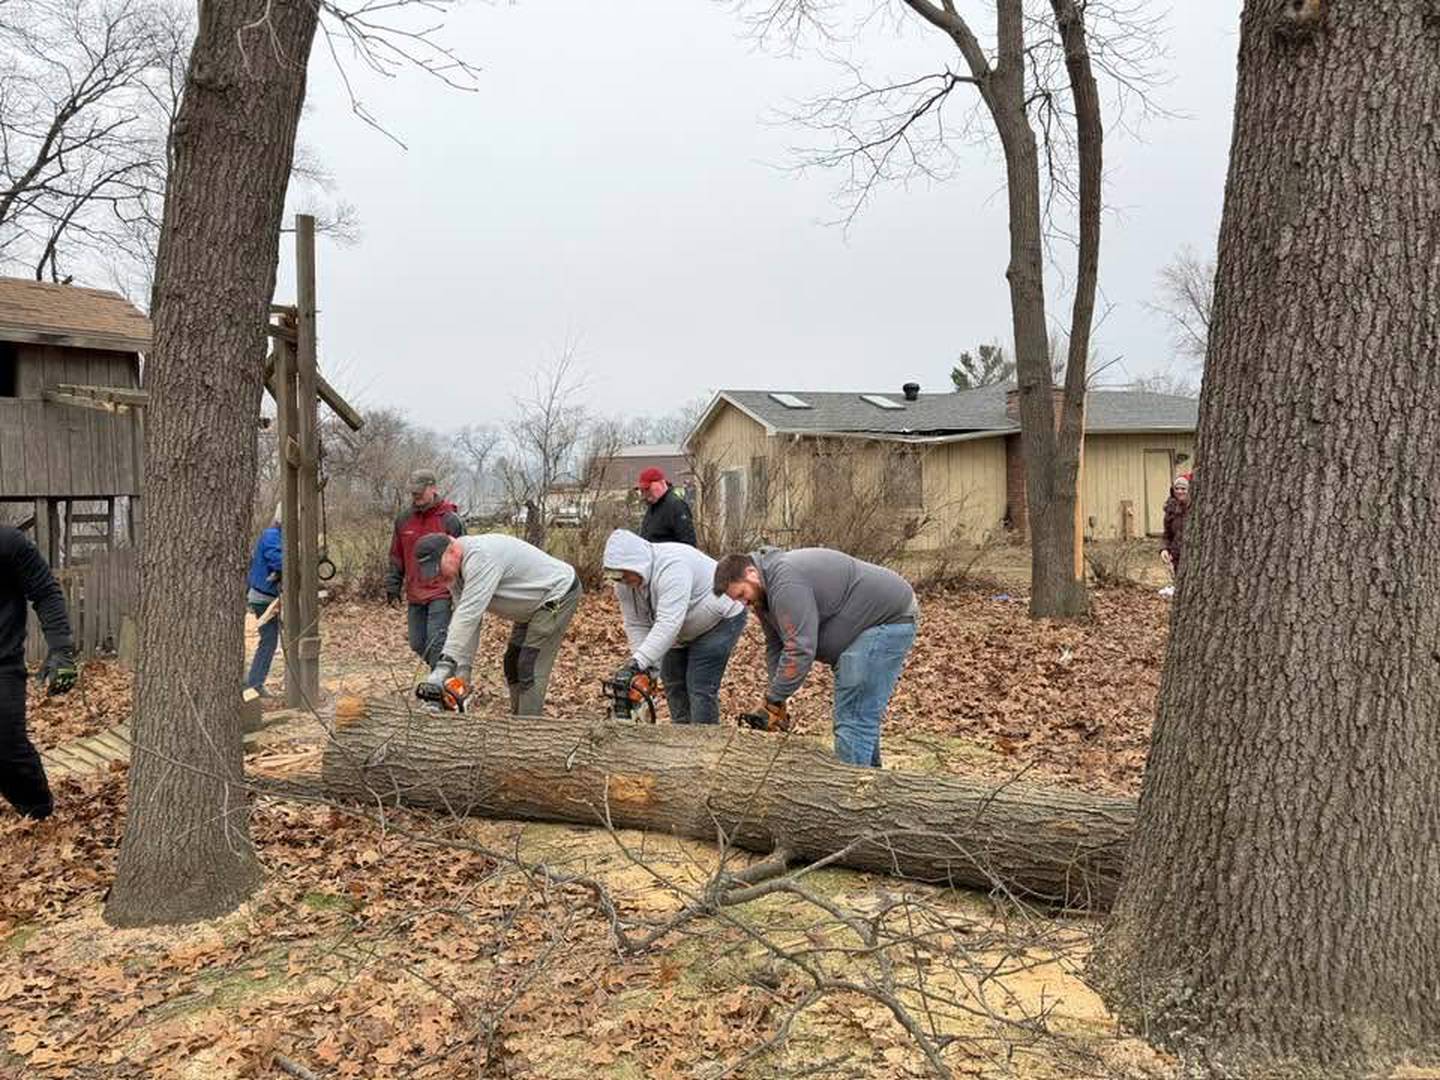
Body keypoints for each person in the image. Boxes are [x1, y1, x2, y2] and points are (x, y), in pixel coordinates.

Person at [713, 547, 918, 768]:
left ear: (751, 573)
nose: (743, 603)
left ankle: (851, 795)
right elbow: (776, 646)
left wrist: (775, 697)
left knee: (853, 719)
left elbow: (800, 648)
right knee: (859, 715)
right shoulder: (765, 596)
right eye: (737, 600)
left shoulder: (785, 583)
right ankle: (872, 788)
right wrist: (775, 697)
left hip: (884, 621)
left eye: (742, 595)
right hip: (867, 629)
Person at [415, 532, 581, 716]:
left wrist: (444, 667)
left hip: (557, 594)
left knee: (529, 663)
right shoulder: (455, 576)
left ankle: (529, 731)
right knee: (512, 662)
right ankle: (518, 720)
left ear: (452, 551)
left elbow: (468, 616)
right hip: (530, 606)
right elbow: (469, 623)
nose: (437, 578)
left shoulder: (480, 557)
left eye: (438, 570)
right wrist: (463, 673)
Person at [603, 529, 747, 725]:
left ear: (638, 562)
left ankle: (705, 747)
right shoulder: (624, 584)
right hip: (682, 629)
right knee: (673, 685)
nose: (624, 581)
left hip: (719, 619)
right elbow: (636, 623)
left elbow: (669, 623)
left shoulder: (673, 566)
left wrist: (638, 662)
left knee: (699, 686)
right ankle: (680, 742)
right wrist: (642, 667)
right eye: (618, 576)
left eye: (626, 574)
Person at [1, 527, 77, 819]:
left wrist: (61, 649)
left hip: (2, 663)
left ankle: (37, 810)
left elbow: (45, 592)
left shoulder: (9, 543)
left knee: (6, 744)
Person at [386, 469, 464, 667]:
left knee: (436, 643)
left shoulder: (449, 519)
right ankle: (444, 676)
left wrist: (461, 591)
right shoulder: (404, 519)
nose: (416, 496)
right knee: (417, 643)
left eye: (420, 491)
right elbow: (396, 554)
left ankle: (437, 691)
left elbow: (463, 553)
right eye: (413, 492)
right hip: (415, 592)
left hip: (442, 591)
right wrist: (393, 585)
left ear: (433, 488)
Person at [245, 505, 283, 695]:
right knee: (268, 641)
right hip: (263, 598)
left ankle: (254, 681)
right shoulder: (271, 536)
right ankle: (254, 684)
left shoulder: (278, 536)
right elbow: (279, 561)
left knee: (272, 639)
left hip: (272, 596)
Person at [637, 467, 697, 547]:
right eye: (642, 491)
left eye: (648, 489)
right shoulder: (653, 507)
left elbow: (688, 543)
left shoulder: (676, 506)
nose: (645, 494)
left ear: (661, 483)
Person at [1160, 472, 1192, 576]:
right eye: (1177, 488)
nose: (1179, 491)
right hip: (1177, 556)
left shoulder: (1195, 509)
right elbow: (1167, 534)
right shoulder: (1171, 509)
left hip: (1193, 556)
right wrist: (1164, 549)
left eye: (1183, 489)